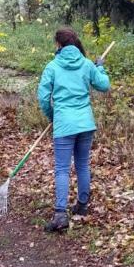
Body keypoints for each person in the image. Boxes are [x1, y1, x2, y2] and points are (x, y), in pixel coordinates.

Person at [36, 28, 110, 232]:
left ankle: (61, 215)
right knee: (82, 165)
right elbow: (104, 85)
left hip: (65, 125)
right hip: (86, 123)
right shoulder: (86, 64)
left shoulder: (52, 66)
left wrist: (53, 115)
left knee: (62, 168)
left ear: (58, 45)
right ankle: (82, 206)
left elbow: (43, 97)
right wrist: (100, 68)